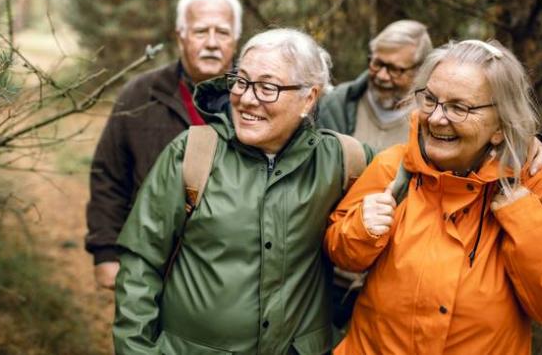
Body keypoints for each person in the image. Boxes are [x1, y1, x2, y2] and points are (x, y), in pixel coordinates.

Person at [113, 28, 373, 354]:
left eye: (267, 87)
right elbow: (140, 262)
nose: (247, 98)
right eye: (242, 81)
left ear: (308, 97)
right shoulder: (193, 153)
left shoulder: (345, 162)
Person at [324, 40, 542, 354]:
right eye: (430, 100)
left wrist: (522, 216)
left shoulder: (534, 183)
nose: (437, 118)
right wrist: (362, 228)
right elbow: (340, 253)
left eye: (459, 107)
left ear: (499, 125)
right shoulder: (393, 167)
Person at [85, 0, 242, 289]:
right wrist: (105, 252)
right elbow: (108, 175)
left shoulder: (254, 100)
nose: (212, 43)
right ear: (180, 35)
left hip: (231, 270)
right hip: (151, 260)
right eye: (200, 31)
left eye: (222, 32)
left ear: (235, 39)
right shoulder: (140, 94)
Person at [318, 20, 433, 149]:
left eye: (395, 69)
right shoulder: (337, 104)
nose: (381, 76)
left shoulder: (431, 119)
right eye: (377, 63)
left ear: (419, 71)